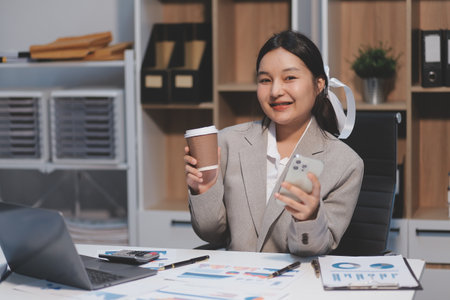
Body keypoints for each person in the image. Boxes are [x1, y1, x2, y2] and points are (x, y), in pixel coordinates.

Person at [184, 30, 364, 256]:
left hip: (296, 285)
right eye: (265, 80)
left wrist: (309, 218)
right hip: (235, 282)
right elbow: (212, 234)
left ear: (319, 85)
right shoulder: (228, 143)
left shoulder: (344, 163)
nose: (276, 91)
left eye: (290, 78)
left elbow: (313, 249)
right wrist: (204, 190)